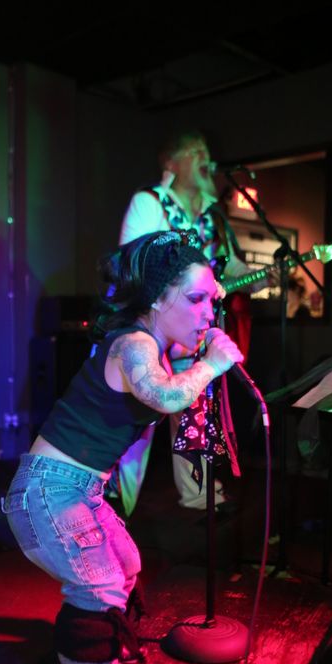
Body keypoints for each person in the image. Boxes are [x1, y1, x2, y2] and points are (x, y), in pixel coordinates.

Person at [2, 231, 243, 664]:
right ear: (155, 299)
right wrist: (213, 364)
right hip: (50, 489)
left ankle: (95, 645)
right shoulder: (133, 345)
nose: (208, 313)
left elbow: (176, 387)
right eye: (195, 299)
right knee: (100, 582)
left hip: (80, 488)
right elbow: (167, 396)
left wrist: (200, 348)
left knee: (127, 564)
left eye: (211, 301)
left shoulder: (153, 346)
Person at [117, 130, 260, 514]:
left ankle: (198, 492)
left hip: (189, 333)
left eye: (206, 152)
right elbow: (134, 263)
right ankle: (116, 506)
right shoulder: (150, 203)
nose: (205, 159)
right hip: (149, 329)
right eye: (195, 152)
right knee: (141, 420)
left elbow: (229, 268)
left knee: (194, 411)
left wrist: (260, 277)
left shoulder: (213, 217)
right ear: (170, 163)